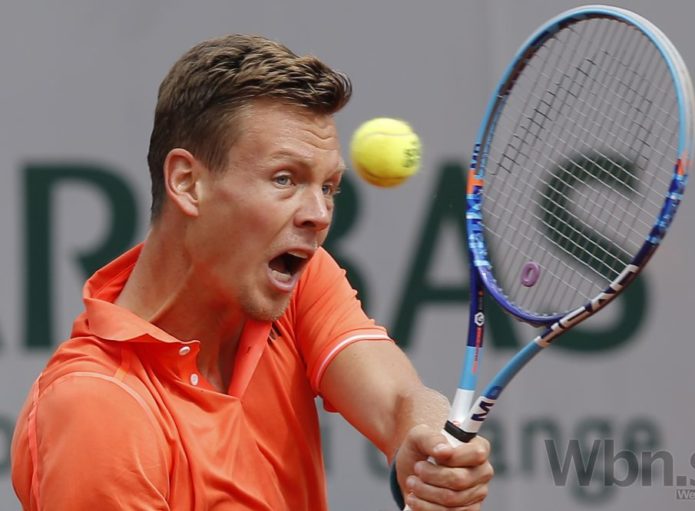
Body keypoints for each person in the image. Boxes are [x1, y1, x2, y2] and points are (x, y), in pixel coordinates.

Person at [11, 34, 493, 510]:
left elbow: (399, 402)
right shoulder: (99, 410)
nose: (319, 214)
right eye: (285, 179)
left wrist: (429, 447)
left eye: (328, 187)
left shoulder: (294, 282)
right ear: (187, 182)